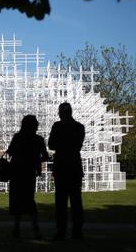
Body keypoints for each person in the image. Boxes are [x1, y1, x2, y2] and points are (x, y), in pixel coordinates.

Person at [6, 115, 49, 239]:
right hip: (29, 173)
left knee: (16, 200)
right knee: (30, 200)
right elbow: (45, 156)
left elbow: (10, 152)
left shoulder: (17, 137)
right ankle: (35, 228)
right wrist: (35, 160)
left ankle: (16, 227)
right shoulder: (39, 140)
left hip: (16, 172)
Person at [48, 102, 85, 240]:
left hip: (62, 167)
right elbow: (78, 146)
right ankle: (77, 232)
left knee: (61, 202)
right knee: (76, 201)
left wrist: (61, 144)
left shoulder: (57, 126)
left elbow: (51, 144)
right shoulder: (79, 127)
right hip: (75, 166)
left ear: (60, 113)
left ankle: (61, 232)